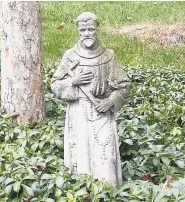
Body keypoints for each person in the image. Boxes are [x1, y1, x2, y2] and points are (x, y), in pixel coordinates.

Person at [51, 12, 131, 186]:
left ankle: (107, 190)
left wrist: (110, 101)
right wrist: (73, 82)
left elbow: (125, 85)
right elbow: (55, 84)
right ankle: (83, 190)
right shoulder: (70, 56)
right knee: (81, 154)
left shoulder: (108, 56)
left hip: (102, 112)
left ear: (97, 29)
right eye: (83, 30)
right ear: (79, 31)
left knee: (105, 154)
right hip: (78, 111)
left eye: (90, 29)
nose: (87, 33)